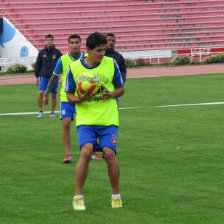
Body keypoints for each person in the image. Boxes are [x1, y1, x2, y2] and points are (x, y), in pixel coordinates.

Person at [65, 32, 124, 210]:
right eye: (98, 50)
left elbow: (121, 89)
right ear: (88, 50)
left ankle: (116, 195)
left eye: (104, 50)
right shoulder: (75, 68)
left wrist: (112, 94)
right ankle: (78, 196)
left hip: (108, 118)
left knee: (109, 153)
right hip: (86, 119)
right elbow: (69, 93)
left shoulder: (111, 63)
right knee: (86, 152)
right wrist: (79, 99)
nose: (101, 54)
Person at [43, 34, 85, 163]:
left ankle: (92, 151)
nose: (74, 45)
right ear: (68, 45)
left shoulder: (88, 58)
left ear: (80, 44)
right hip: (67, 96)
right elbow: (54, 76)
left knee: (88, 124)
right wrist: (46, 94)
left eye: (77, 42)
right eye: (72, 43)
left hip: (85, 97)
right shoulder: (63, 59)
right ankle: (67, 154)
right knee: (66, 122)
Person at [34, 34, 62, 119]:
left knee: (53, 95)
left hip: (54, 78)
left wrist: (60, 74)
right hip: (44, 76)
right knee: (40, 93)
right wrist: (37, 76)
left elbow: (62, 64)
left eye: (50, 40)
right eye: (47, 40)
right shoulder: (41, 53)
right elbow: (38, 64)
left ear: (53, 41)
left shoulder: (57, 53)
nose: (48, 41)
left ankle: (52, 113)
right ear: (45, 41)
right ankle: (40, 112)